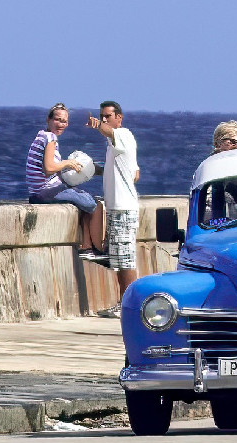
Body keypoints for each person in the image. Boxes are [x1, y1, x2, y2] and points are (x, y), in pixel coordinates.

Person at [25, 103, 104, 256]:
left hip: (38, 191)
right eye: (58, 120)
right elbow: (48, 168)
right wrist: (68, 163)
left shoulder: (41, 135)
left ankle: (86, 246)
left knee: (82, 198)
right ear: (48, 120)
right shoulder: (51, 139)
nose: (61, 124)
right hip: (46, 192)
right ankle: (97, 249)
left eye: (64, 121)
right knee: (92, 204)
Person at [86, 101, 140, 318]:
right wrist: (91, 169)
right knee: (119, 261)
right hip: (117, 208)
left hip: (124, 209)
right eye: (102, 116)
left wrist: (98, 124)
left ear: (119, 117)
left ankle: (130, 308)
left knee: (126, 261)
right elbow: (135, 173)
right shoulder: (113, 144)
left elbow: (107, 130)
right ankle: (123, 304)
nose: (105, 120)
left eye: (108, 116)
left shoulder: (123, 135)